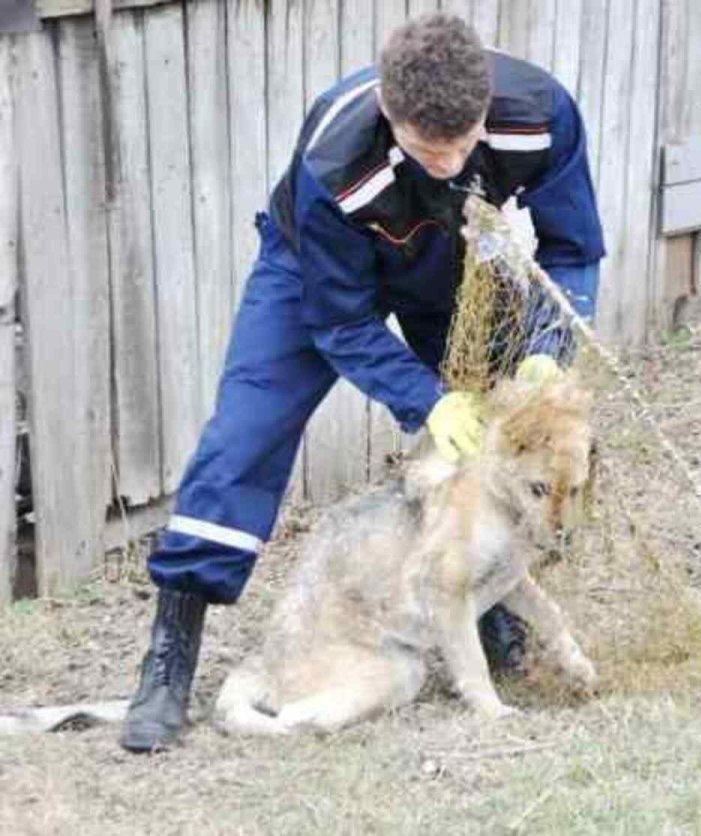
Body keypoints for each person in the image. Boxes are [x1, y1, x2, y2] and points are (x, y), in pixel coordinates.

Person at [119, 13, 604, 753]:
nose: (445, 165)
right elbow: (340, 322)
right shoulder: (333, 154)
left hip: (453, 260)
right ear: (388, 109)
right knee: (244, 436)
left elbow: (574, 249)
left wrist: (546, 347)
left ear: (485, 110)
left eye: (462, 146)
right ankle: (169, 657)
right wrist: (426, 401)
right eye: (423, 150)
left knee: (491, 430)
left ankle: (482, 610)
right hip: (317, 269)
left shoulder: (541, 115)